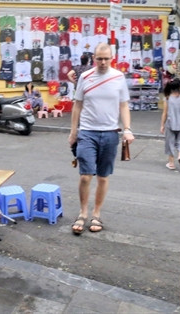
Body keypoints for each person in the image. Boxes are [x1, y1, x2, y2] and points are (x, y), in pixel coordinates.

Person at [68, 43, 134, 235]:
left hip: (111, 133)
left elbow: (123, 105)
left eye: (106, 58)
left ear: (111, 58)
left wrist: (127, 129)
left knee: (103, 177)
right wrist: (73, 132)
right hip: (87, 132)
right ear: (94, 59)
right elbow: (77, 105)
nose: (103, 62)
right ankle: (83, 213)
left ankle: (96, 213)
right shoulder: (85, 77)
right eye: (99, 58)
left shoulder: (118, 77)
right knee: (85, 175)